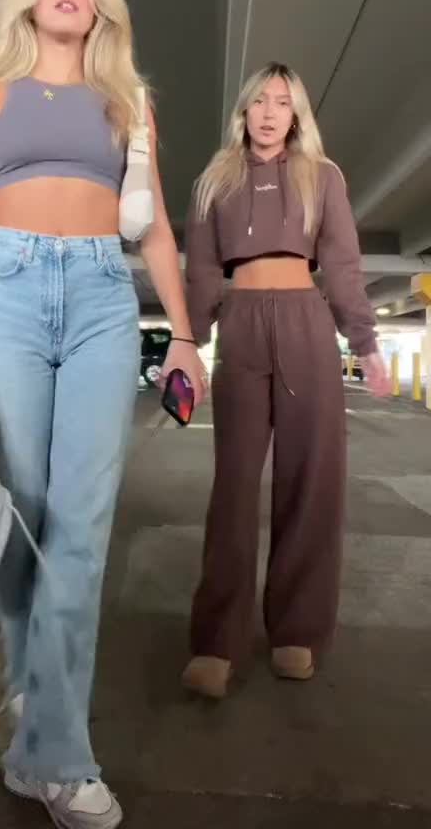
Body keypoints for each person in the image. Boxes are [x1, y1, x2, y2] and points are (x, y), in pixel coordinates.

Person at [0, 0, 206, 828]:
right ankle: (38, 707)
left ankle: (58, 754)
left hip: (104, 300)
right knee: (22, 516)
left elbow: (154, 228)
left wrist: (184, 337)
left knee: (81, 527)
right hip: (8, 290)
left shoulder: (127, 103)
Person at [181, 62, 390, 700]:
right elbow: (201, 270)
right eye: (259, 102)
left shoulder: (321, 177)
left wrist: (366, 344)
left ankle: (296, 629)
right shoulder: (215, 179)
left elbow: (344, 266)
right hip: (241, 325)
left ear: (296, 114)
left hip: (306, 323)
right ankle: (218, 639)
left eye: (282, 102)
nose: (269, 113)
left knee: (311, 480)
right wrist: (187, 343)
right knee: (235, 486)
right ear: (243, 111)